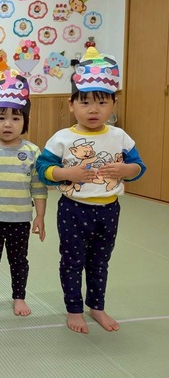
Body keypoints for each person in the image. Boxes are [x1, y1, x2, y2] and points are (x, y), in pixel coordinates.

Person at [36, 47, 146, 334]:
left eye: (102, 102)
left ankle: (97, 306)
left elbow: (139, 167)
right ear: (72, 105)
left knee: (100, 261)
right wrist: (66, 173)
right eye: (85, 102)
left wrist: (126, 170)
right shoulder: (62, 138)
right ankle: (74, 309)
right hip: (73, 210)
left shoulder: (119, 136)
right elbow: (43, 169)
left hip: (109, 209)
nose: (93, 109)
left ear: (113, 104)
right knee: (72, 261)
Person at [0, 70, 48, 317]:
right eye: (1, 117)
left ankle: (19, 297)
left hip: (20, 220)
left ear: (25, 121)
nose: (7, 124)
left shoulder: (33, 151)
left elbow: (38, 187)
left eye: (15, 118)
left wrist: (40, 216)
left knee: (19, 261)